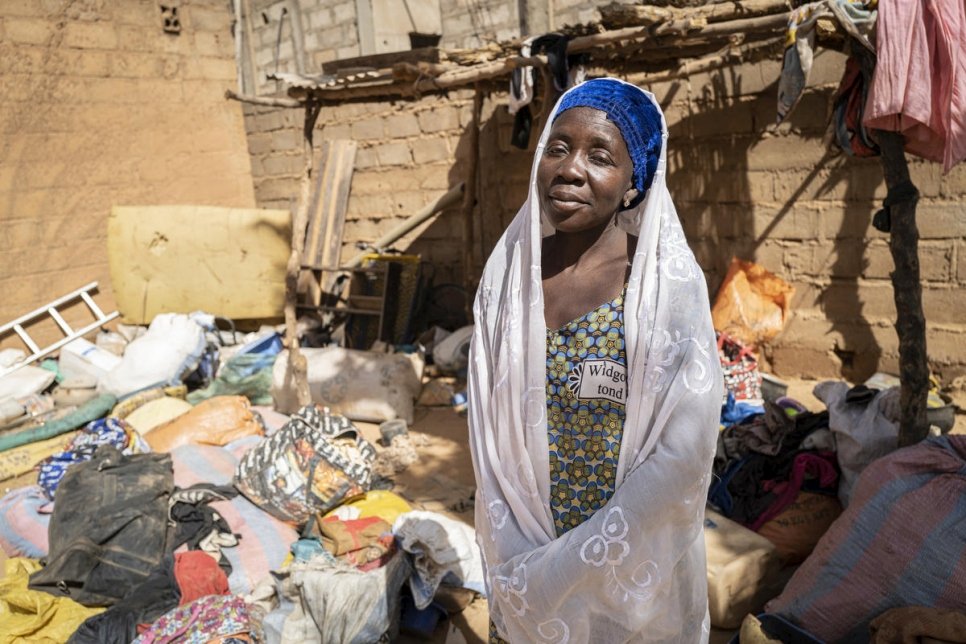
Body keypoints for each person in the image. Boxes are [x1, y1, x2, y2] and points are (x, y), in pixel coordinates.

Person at [467, 78, 723, 642]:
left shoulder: (663, 288)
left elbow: (684, 451)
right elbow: (487, 436)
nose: (571, 169)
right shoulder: (508, 280)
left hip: (630, 564)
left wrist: (577, 565)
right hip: (523, 561)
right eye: (557, 148)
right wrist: (531, 569)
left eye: (600, 155)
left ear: (634, 184)